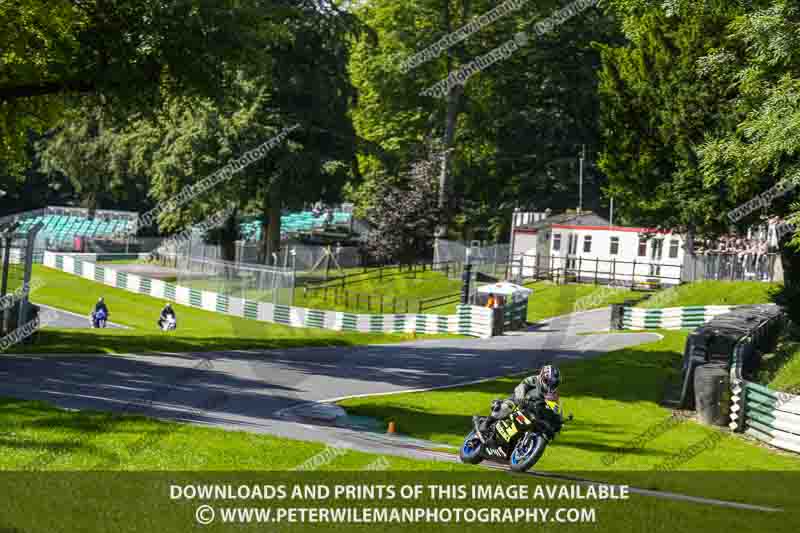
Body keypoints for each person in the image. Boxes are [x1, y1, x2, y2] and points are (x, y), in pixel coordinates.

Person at [475, 365, 561, 437]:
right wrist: (521, 397)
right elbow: (521, 386)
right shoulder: (534, 380)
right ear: (542, 376)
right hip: (519, 402)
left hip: (532, 412)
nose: (550, 385)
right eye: (548, 381)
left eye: (554, 383)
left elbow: (555, 408)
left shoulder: (554, 394)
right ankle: (486, 423)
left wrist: (558, 422)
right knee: (507, 407)